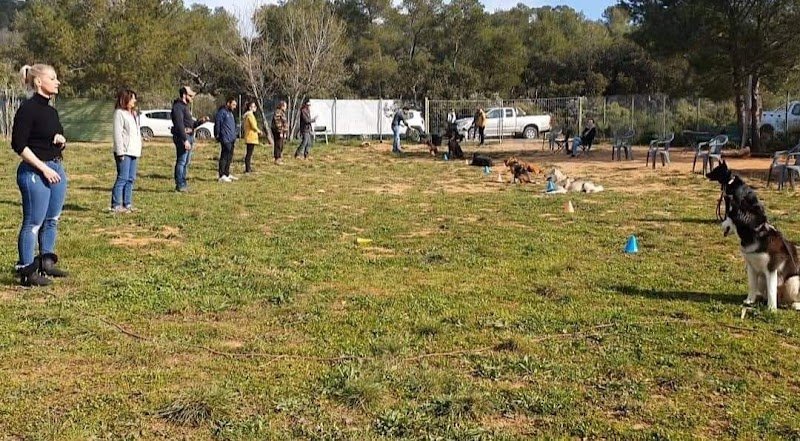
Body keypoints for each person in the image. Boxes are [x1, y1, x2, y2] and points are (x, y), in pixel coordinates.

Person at [11, 64, 69, 286]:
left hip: (56, 168)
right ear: (38, 82)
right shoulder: (28, 108)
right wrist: (43, 168)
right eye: (52, 78)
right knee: (33, 222)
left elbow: (53, 135)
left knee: (52, 219)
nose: (58, 82)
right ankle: (26, 271)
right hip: (35, 171)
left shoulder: (51, 110)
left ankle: (46, 261)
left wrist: (59, 140)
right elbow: (19, 144)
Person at [111, 89, 142, 213]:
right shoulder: (119, 113)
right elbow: (117, 134)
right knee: (122, 178)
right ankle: (116, 204)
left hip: (134, 151)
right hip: (124, 151)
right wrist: (120, 152)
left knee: (131, 178)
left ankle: (127, 203)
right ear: (125, 99)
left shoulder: (133, 114)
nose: (134, 100)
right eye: (132, 98)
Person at [171, 86, 197, 192]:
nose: (191, 98)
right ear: (184, 95)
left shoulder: (185, 107)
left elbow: (190, 124)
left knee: (186, 162)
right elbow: (179, 124)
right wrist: (185, 140)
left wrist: (200, 122)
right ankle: (180, 184)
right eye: (190, 95)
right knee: (181, 161)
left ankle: (183, 183)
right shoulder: (178, 107)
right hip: (183, 137)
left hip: (189, 136)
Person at [214, 97, 238, 182]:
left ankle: (227, 173)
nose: (235, 107)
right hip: (225, 138)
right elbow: (217, 124)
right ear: (228, 103)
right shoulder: (222, 112)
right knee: (224, 156)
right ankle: (221, 175)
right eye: (233, 104)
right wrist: (217, 135)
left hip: (231, 138)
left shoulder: (230, 113)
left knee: (229, 156)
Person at [242, 101, 262, 173]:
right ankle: (247, 169)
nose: (255, 108)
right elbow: (253, 126)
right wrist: (259, 131)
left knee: (249, 153)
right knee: (249, 154)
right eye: (254, 106)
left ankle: (248, 168)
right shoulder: (250, 115)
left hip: (251, 136)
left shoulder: (250, 115)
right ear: (250, 108)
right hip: (250, 136)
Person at [271, 100, 289, 165]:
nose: (286, 107)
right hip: (278, 131)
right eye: (285, 106)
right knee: (278, 144)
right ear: (282, 106)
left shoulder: (282, 112)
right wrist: (281, 131)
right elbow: (277, 122)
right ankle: (277, 158)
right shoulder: (278, 112)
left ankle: (279, 157)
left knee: (281, 144)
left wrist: (285, 132)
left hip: (281, 131)